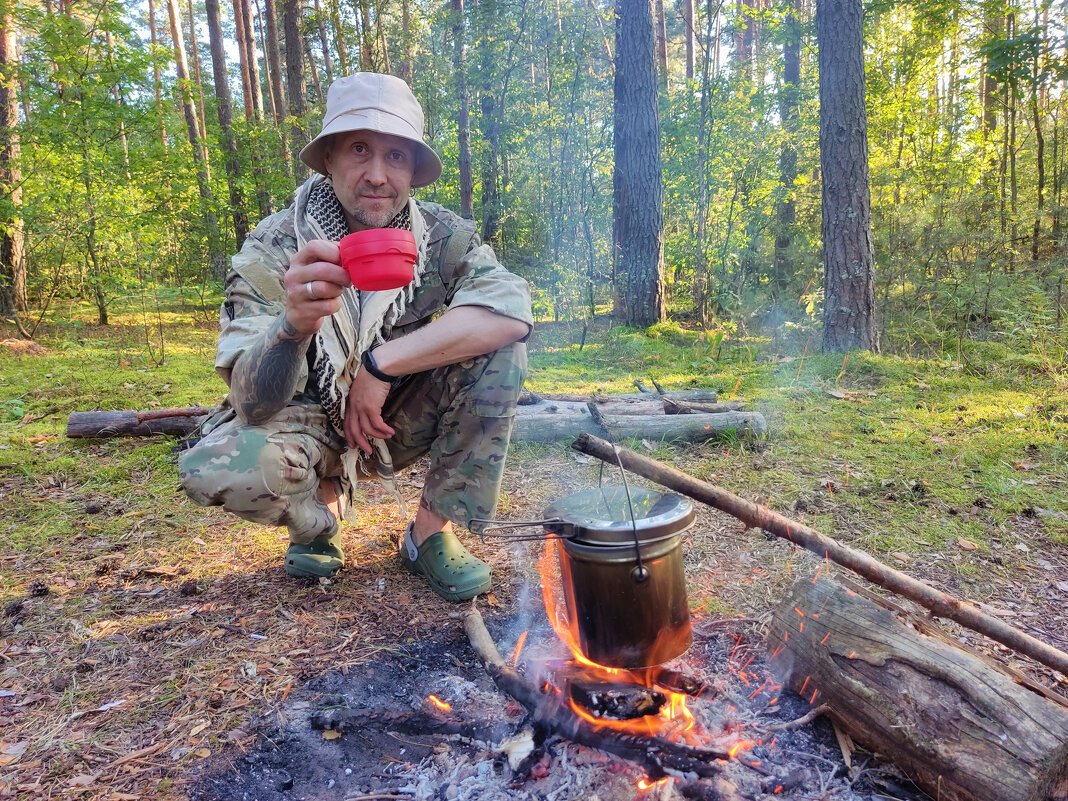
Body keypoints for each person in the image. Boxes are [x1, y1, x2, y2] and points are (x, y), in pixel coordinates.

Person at [179, 72, 532, 601]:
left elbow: (510, 312)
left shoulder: (440, 236)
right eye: (359, 149)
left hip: (393, 416)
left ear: (413, 171)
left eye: (396, 156)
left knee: (500, 352)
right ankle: (319, 520)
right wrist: (291, 325)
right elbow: (250, 405)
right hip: (305, 420)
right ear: (328, 158)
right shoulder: (274, 247)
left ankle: (430, 535)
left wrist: (380, 365)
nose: (376, 174)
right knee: (215, 465)